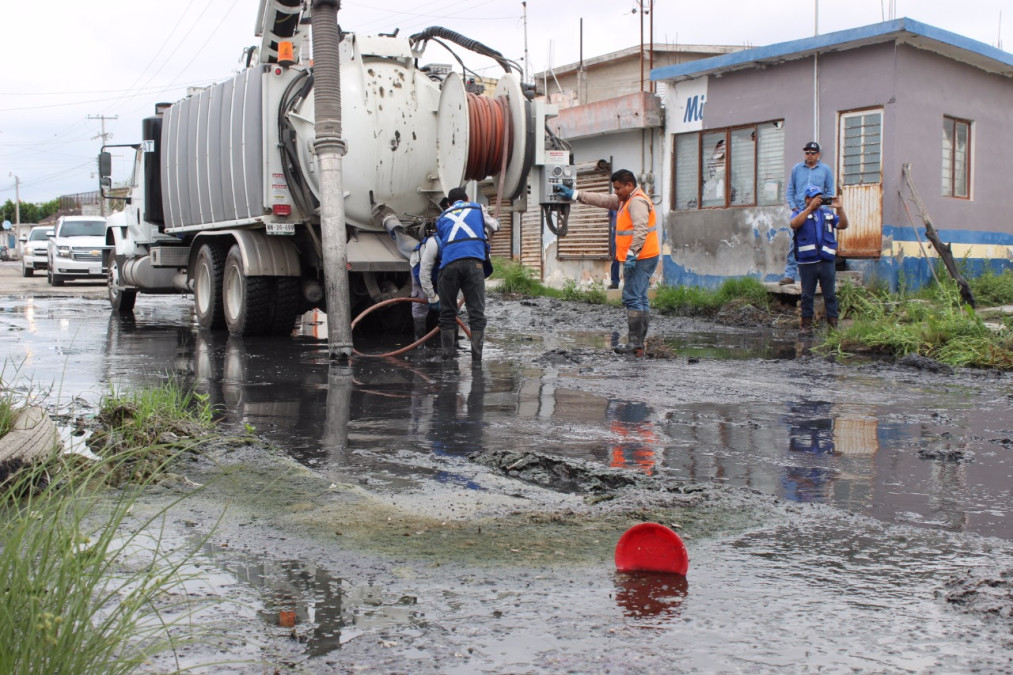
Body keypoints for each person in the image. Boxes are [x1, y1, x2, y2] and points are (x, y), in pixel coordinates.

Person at [555, 169, 658, 356]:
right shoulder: (625, 200)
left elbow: (641, 229)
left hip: (641, 257)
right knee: (640, 297)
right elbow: (601, 199)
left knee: (633, 297)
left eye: (618, 188)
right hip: (646, 255)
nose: (616, 192)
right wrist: (575, 194)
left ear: (629, 185)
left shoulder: (636, 202)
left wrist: (632, 254)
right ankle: (638, 343)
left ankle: (635, 343)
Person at [434, 186, 499, 362]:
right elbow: (495, 225)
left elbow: (444, 239)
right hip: (474, 264)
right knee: (476, 314)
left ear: (448, 203)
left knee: (447, 314)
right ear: (467, 198)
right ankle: (476, 360)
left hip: (449, 266)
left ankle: (447, 357)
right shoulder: (477, 208)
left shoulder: (441, 218)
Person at [790, 185, 849, 335]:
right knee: (807, 295)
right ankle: (806, 326)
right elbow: (794, 224)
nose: (818, 200)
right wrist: (809, 209)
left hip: (826, 261)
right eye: (815, 197)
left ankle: (833, 327)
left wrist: (840, 209)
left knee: (830, 294)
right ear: (807, 199)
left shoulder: (827, 214)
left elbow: (843, 225)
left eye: (820, 197)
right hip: (807, 262)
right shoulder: (799, 213)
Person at [781, 141, 835, 285]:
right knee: (795, 243)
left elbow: (830, 192)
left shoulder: (825, 170)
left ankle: (818, 276)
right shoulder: (797, 169)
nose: (809, 155)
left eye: (812, 153)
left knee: (820, 241)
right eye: (807, 153)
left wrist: (823, 209)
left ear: (818, 155)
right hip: (801, 212)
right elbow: (790, 190)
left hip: (819, 213)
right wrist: (794, 208)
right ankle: (790, 275)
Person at [607, 209, 620, 289]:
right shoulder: (612, 204)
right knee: (615, 258)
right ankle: (615, 282)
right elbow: (611, 218)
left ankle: (629, 283)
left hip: (626, 233)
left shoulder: (628, 203)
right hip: (615, 232)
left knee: (628, 258)